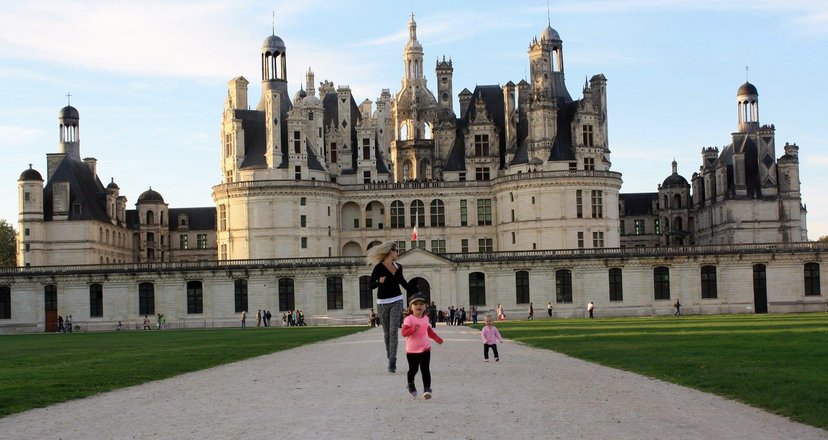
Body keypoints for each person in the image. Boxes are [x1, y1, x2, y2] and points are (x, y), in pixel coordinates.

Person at [368, 241, 417, 374]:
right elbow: (370, 285)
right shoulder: (378, 268)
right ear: (390, 251)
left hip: (397, 300)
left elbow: (403, 282)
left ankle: (392, 360)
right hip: (382, 302)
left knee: (394, 330)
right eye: (396, 250)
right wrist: (379, 281)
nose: (398, 253)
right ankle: (390, 355)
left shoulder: (399, 267)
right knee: (387, 332)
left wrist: (415, 294)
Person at [401, 294, 443, 399]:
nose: (419, 306)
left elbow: (428, 330)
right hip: (412, 351)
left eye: (421, 304)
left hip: (425, 348)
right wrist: (412, 330)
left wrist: (437, 338)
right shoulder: (409, 319)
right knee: (413, 370)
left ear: (425, 306)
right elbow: (404, 333)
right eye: (416, 304)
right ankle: (410, 383)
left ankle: (427, 389)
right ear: (411, 307)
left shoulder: (425, 318)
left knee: (425, 369)